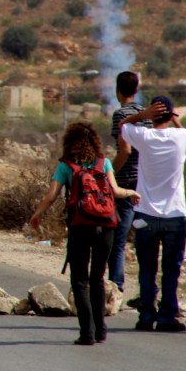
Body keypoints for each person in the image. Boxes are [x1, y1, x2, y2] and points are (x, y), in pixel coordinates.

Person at [26, 122, 139, 346]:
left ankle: (86, 333)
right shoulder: (103, 162)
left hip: (80, 226)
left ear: (69, 142)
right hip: (106, 225)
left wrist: (37, 214)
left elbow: (51, 196)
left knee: (79, 279)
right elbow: (115, 191)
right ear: (95, 141)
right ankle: (101, 330)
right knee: (98, 278)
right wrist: (131, 192)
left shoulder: (66, 166)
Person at [117, 96, 186, 332]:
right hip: (174, 215)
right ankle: (167, 316)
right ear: (171, 115)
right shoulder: (181, 137)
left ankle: (146, 315)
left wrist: (143, 115)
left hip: (145, 214)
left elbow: (123, 126)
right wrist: (175, 120)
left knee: (147, 268)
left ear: (153, 114)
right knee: (172, 268)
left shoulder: (145, 137)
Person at [108, 70, 145, 292]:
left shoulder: (120, 114)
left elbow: (125, 150)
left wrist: (109, 172)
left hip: (126, 181)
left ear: (117, 90)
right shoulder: (146, 114)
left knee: (119, 238)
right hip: (146, 181)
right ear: (137, 89)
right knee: (143, 239)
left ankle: (116, 286)